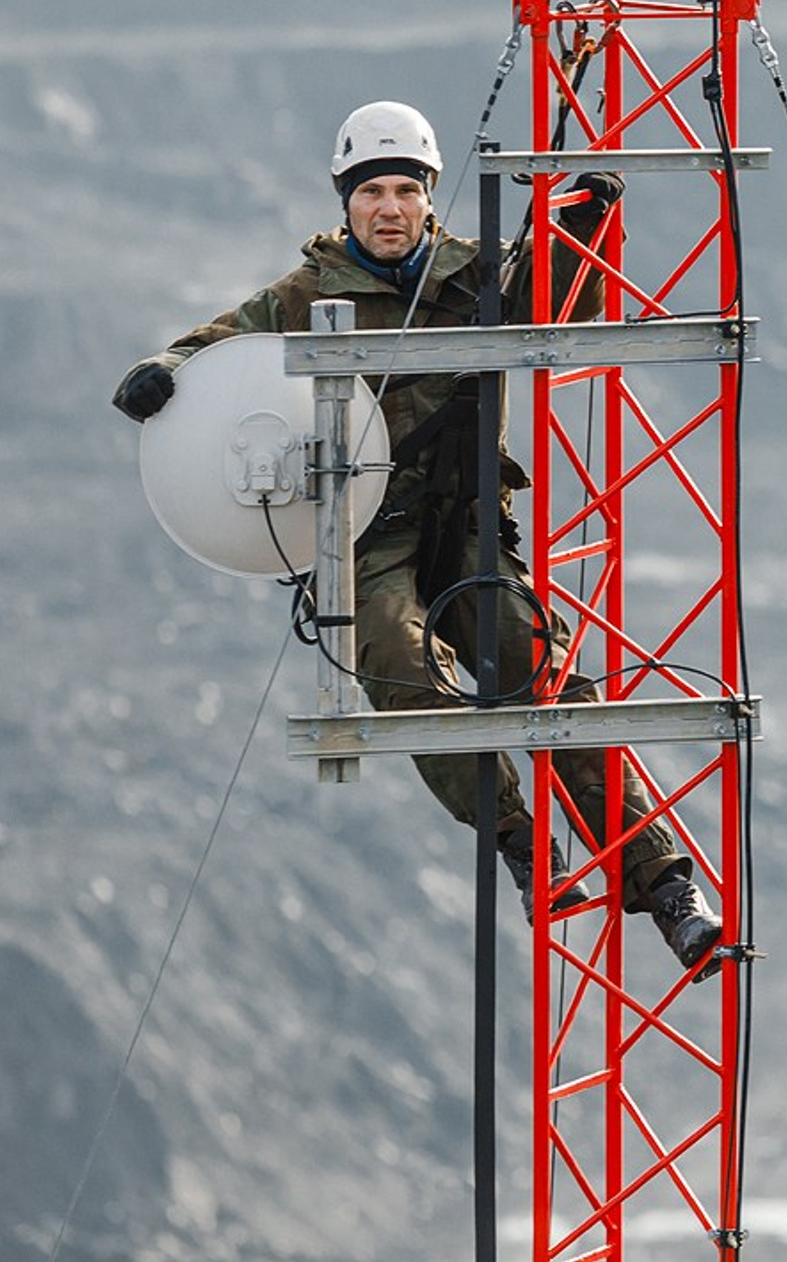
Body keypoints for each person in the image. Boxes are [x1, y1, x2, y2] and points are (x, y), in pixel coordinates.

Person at [113, 100, 721, 978]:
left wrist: (581, 222)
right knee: (396, 663)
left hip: (466, 520)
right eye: (373, 192)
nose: (389, 209)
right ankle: (520, 841)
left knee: (536, 670)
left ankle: (667, 887)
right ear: (346, 200)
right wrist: (165, 373)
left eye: (405, 190)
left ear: (428, 197)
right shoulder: (307, 294)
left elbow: (555, 297)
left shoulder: (475, 279)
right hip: (368, 534)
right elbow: (214, 348)